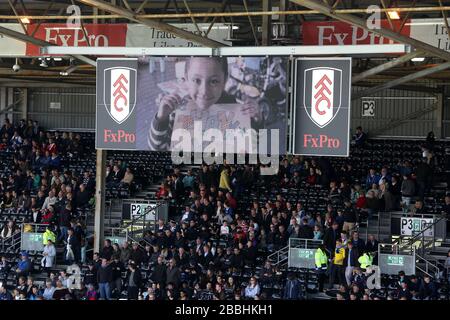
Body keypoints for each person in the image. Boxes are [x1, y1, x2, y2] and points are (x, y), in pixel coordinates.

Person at [148, 57, 260, 151]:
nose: (204, 91)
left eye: (214, 81)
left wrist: (255, 121)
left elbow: (252, 149)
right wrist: (161, 119)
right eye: (196, 80)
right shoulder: (176, 112)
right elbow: (157, 150)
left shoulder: (239, 111)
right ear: (186, 78)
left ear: (225, 79)